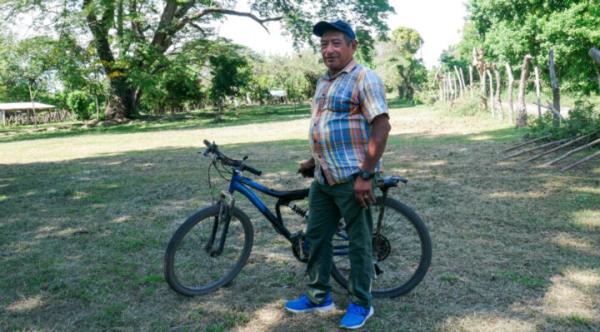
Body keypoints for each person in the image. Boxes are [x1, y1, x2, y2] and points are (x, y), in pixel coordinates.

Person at [284, 20, 391, 330]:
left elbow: (381, 126)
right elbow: (328, 126)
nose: (328, 49)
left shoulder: (364, 78)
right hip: (323, 178)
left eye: (335, 43)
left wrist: (366, 175)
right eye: (323, 44)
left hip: (352, 179)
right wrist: (311, 160)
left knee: (359, 243)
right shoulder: (324, 81)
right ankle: (319, 296)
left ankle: (361, 303)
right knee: (315, 237)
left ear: (352, 46)